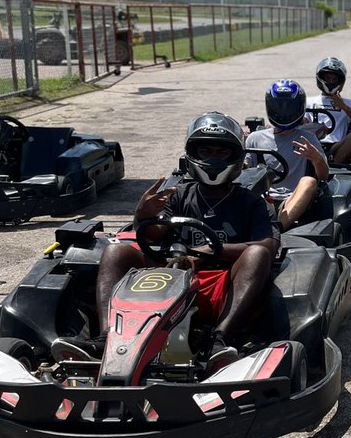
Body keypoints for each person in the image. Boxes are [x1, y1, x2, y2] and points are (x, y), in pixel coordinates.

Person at [52, 113, 280, 371]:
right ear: (192, 154)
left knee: (258, 255)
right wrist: (143, 214)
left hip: (221, 286)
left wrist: (209, 251)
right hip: (168, 279)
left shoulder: (251, 202)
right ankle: (107, 336)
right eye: (205, 151)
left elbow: (269, 246)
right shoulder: (178, 195)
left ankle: (218, 339)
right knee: (116, 251)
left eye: (222, 152)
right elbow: (153, 235)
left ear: (236, 158)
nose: (213, 159)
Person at [246, 80, 329, 230]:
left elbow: (323, 177)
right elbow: (244, 176)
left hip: (293, 199)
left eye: (288, 107)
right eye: (279, 107)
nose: (284, 112)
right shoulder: (255, 138)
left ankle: (277, 229)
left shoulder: (308, 138)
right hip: (261, 200)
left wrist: (316, 159)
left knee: (309, 181)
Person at [308, 57, 351, 164]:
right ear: (321, 78)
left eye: (334, 79)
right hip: (312, 144)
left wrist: (344, 107)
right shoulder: (308, 102)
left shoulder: (348, 103)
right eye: (328, 78)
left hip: (336, 147)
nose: (331, 82)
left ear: (340, 81)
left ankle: (332, 167)